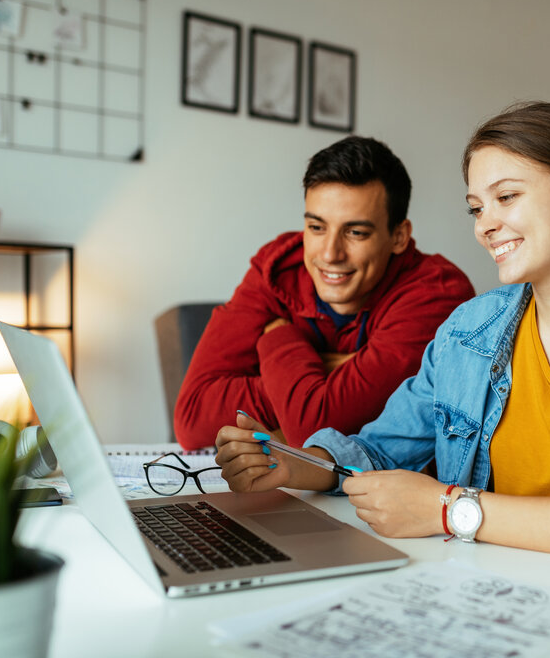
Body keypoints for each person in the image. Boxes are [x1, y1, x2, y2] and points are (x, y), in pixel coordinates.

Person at [215, 103, 550, 570]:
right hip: (488, 594)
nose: (486, 226)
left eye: (506, 197)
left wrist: (451, 509)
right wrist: (296, 465)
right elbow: (380, 451)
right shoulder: (468, 330)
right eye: (476, 208)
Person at [174, 136, 475, 450]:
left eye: (355, 232)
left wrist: (277, 337)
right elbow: (192, 419)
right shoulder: (277, 268)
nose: (330, 254)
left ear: (398, 236)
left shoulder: (436, 293)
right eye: (317, 228)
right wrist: (318, 375)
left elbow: (311, 428)